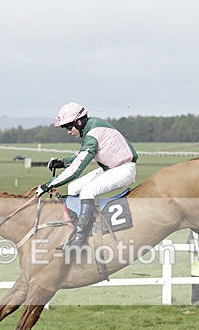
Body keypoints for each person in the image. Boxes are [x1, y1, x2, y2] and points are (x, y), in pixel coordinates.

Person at [35, 102, 138, 250]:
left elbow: (76, 169)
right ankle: (75, 227)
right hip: (110, 168)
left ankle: (81, 239)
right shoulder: (91, 127)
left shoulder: (92, 134)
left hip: (123, 170)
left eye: (69, 127)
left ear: (78, 121)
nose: (68, 131)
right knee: (73, 187)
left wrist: (49, 184)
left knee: (87, 191)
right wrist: (62, 163)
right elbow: (81, 156)